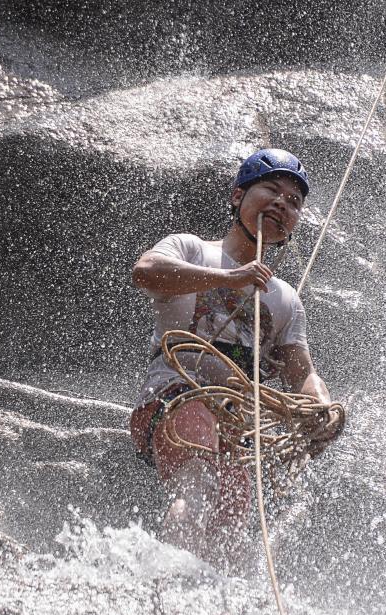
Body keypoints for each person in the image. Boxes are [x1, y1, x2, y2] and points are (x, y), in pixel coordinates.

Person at [129, 148, 338, 564]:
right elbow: (146, 272)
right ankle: (170, 583)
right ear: (237, 195)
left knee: (236, 504)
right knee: (199, 482)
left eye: (294, 202)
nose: (282, 203)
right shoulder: (191, 249)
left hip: (232, 419)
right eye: (271, 189)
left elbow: (301, 373)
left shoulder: (284, 299)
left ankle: (220, 597)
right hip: (175, 396)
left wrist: (322, 408)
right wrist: (231, 277)